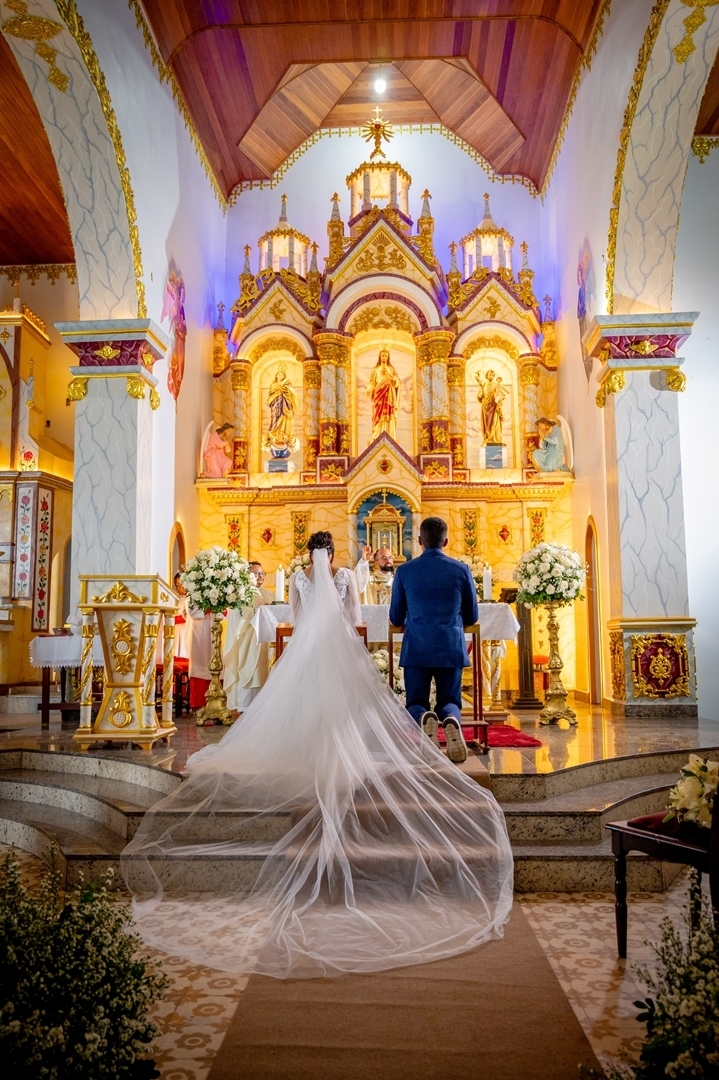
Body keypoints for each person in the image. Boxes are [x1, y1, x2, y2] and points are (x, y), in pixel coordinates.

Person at [122, 530, 512, 980]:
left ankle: (364, 733)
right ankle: (444, 720)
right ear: (332, 554)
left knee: (301, 704)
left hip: (308, 648)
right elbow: (353, 616)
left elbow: (297, 615)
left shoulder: (305, 577)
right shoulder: (354, 574)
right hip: (377, 643)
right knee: (365, 705)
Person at [389, 516, 478, 764]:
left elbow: (396, 616)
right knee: (450, 700)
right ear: (446, 541)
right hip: (450, 644)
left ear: (419, 541)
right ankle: (450, 719)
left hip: (417, 645)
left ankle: (423, 717)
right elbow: (473, 615)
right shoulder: (461, 569)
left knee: (416, 700)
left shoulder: (405, 570)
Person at [223, 561, 273, 711]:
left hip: (265, 641)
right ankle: (246, 705)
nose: (260, 577)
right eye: (256, 573)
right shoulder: (241, 594)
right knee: (250, 671)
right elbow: (242, 619)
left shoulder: (268, 593)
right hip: (249, 640)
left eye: (262, 573)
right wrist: (261, 611)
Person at [367, 348, 401, 440]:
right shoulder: (375, 370)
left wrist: (392, 379)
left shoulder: (391, 369)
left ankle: (389, 434)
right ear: (380, 357)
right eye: (383, 355)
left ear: (388, 357)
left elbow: (397, 381)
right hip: (379, 393)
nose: (384, 357)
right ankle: (377, 434)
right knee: (378, 412)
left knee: (389, 413)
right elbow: (372, 382)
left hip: (389, 393)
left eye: (386, 356)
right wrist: (370, 389)